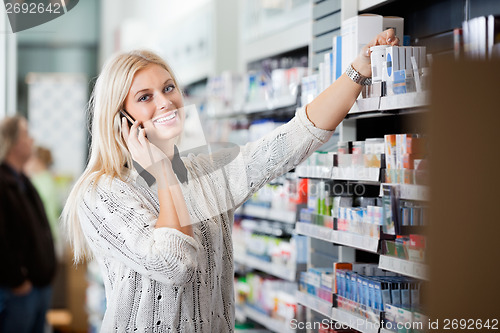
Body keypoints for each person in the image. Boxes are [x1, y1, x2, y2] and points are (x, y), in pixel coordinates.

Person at [62, 29, 398, 332]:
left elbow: (294, 138)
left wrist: (358, 71)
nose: (165, 102)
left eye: (168, 88)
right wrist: (164, 173)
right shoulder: (102, 192)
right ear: (120, 118)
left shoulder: (205, 171)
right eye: (145, 97)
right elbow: (172, 265)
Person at [0, 116, 57, 333]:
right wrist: (17, 280)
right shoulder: (3, 182)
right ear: (13, 141)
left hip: (38, 286)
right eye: (26, 134)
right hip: (19, 290)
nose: (32, 140)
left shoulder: (23, 181)